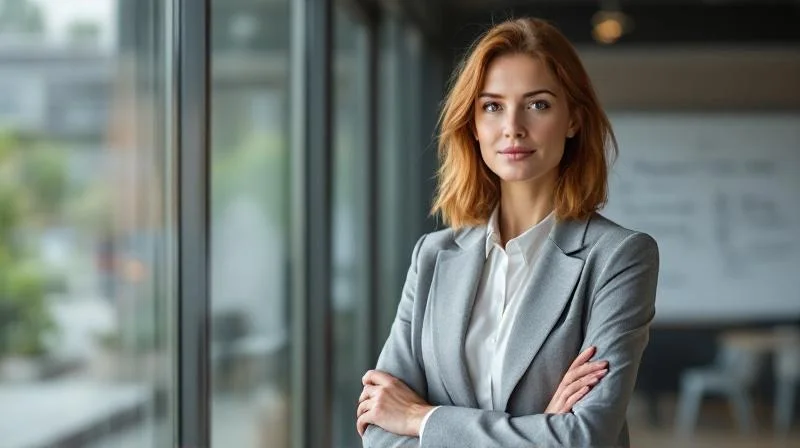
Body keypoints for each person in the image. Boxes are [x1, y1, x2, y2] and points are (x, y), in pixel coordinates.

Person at [356, 17, 659, 447]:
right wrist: (540, 429)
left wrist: (422, 419)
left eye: (537, 104)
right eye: (492, 106)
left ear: (573, 118)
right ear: (474, 124)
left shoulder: (619, 257)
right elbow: (379, 429)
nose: (512, 126)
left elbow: (584, 436)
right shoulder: (432, 256)